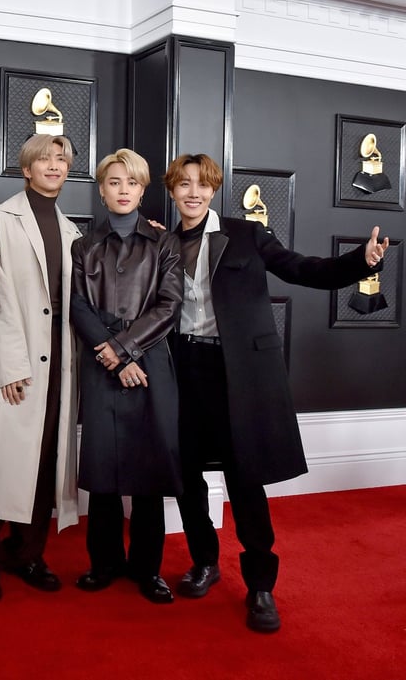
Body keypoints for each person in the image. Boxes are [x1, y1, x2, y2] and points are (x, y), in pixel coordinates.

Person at [164, 153, 388, 631]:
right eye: (184, 185)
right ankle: (205, 561)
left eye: (202, 185)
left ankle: (260, 585)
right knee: (186, 476)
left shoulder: (245, 233)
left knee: (246, 478)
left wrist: (358, 261)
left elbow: (301, 268)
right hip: (183, 366)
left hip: (237, 371)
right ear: (171, 190)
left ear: (213, 189)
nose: (193, 193)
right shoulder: (161, 243)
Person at [0, 133, 81, 601]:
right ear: (25, 168)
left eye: (61, 159)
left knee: (44, 457)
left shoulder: (72, 230)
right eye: (44, 159)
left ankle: (27, 553)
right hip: (10, 357)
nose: (54, 165)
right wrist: (9, 366)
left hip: (58, 360)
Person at [70, 148, 183, 604]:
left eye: (132, 183)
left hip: (149, 362)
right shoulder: (83, 245)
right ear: (102, 189)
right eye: (114, 182)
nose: (123, 190)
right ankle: (103, 562)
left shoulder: (164, 243)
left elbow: (168, 305)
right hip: (102, 363)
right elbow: (78, 305)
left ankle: (147, 568)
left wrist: (125, 348)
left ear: (142, 190)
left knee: (149, 471)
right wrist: (113, 354)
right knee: (103, 466)